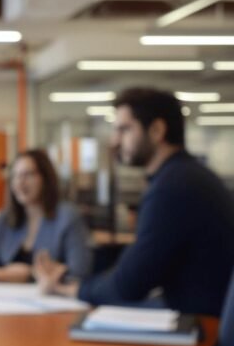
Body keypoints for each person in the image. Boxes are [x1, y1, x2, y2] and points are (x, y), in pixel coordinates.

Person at [35, 87, 234, 316]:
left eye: (124, 129)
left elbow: (130, 285)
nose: (114, 141)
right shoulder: (186, 176)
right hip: (198, 315)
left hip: (201, 326)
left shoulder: (173, 188)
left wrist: (71, 289)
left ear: (157, 130)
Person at [0, 149, 92, 283]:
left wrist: (30, 274)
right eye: (16, 176)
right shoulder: (3, 220)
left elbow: (79, 273)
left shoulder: (67, 217)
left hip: (54, 300)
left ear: (45, 178)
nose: (20, 183)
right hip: (4, 300)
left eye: (28, 174)